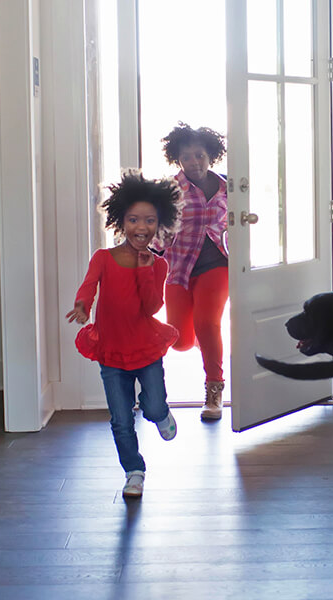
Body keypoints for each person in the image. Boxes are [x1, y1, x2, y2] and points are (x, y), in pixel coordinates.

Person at [66, 171, 182, 498]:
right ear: (121, 220)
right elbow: (89, 285)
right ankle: (134, 471)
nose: (140, 228)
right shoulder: (103, 258)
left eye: (148, 221)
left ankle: (158, 413)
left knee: (155, 407)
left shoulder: (158, 266)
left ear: (160, 225)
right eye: (133, 220)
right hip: (112, 351)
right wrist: (83, 305)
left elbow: (151, 307)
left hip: (146, 348)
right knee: (120, 420)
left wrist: (146, 270)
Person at [157, 122, 229, 421]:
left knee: (207, 322)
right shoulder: (169, 189)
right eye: (187, 157)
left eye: (199, 155)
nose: (194, 162)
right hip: (179, 268)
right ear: (178, 159)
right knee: (180, 340)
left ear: (211, 155)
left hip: (217, 264)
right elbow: (157, 227)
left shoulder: (228, 185)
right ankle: (200, 338)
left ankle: (214, 392)